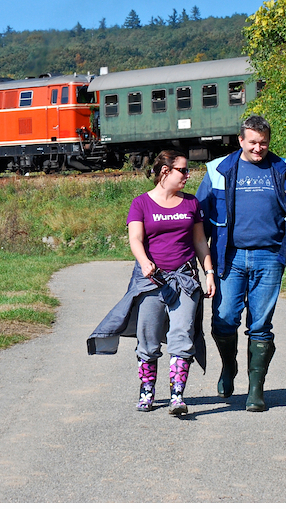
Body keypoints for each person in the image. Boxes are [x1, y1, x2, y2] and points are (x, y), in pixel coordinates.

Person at [195, 115, 286, 412]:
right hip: (229, 256)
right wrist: (203, 262)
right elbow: (200, 217)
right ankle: (229, 367)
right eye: (253, 142)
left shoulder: (284, 170)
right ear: (240, 140)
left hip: (269, 257)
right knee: (223, 320)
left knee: (261, 325)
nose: (258, 148)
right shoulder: (219, 170)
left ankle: (256, 390)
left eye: (263, 143)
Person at [87, 150, 215, 415]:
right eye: (183, 170)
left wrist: (209, 272)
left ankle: (177, 396)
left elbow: (200, 241)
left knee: (182, 334)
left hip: (185, 278)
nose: (188, 175)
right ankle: (147, 392)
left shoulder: (191, 203)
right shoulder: (141, 203)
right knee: (149, 338)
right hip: (151, 281)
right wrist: (144, 261)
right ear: (165, 171)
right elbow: (135, 238)